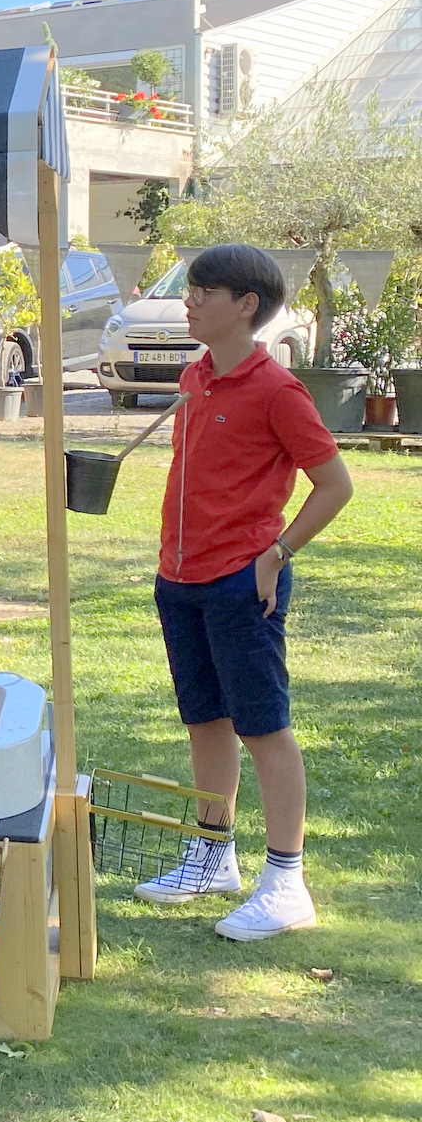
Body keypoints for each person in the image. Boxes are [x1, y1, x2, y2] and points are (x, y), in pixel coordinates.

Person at [136, 243, 352, 940]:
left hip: (240, 582)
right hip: (180, 578)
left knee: (264, 727)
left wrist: (278, 553)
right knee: (205, 720)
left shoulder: (277, 390)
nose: (189, 300)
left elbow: (335, 484)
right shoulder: (197, 376)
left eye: (204, 290)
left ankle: (287, 883)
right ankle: (212, 856)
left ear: (246, 305)